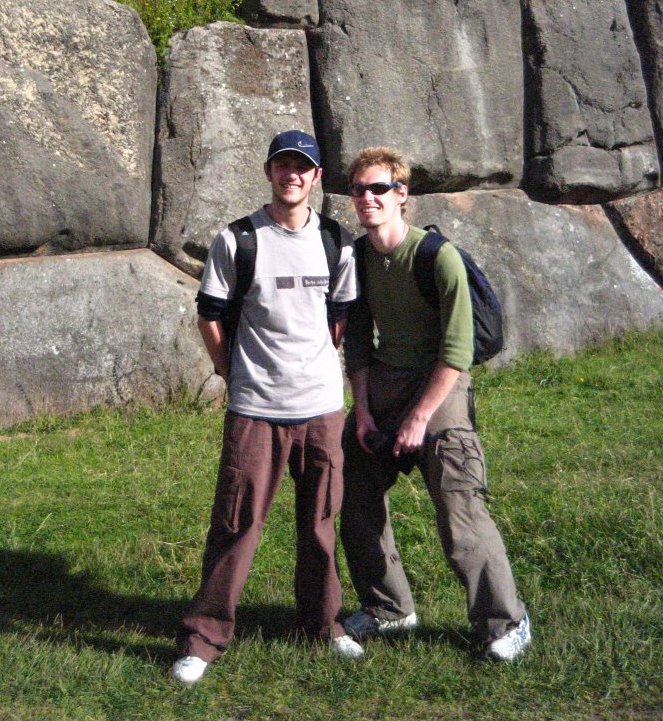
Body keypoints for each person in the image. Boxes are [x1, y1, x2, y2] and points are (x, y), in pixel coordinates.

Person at [172, 130, 364, 685]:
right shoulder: (237, 240)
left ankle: (324, 625)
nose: (292, 175)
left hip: (322, 408)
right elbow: (210, 312)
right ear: (268, 171)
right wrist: (228, 370)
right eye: (283, 165)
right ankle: (203, 638)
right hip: (256, 408)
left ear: (317, 177)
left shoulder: (337, 242)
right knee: (237, 523)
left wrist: (314, 366)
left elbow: (339, 318)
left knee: (321, 523)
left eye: (302, 167)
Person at [340, 146, 531, 662]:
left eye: (378, 188)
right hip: (383, 382)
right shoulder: (356, 258)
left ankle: (504, 622)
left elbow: (457, 349)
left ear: (402, 195)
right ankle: (389, 609)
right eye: (358, 189)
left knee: (458, 505)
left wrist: (421, 419)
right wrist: (361, 410)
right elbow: (357, 342)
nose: (367, 198)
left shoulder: (436, 256)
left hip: (441, 387)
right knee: (353, 494)